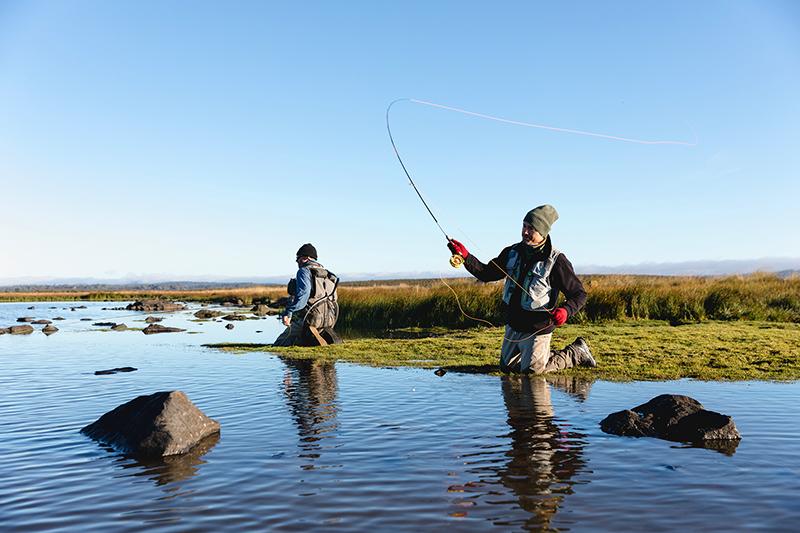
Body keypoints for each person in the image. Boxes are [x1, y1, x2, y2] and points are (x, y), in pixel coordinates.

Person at [447, 204, 596, 373]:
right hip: (514, 325)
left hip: (538, 329)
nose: (525, 232)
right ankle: (540, 357)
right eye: (524, 226)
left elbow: (579, 294)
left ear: (543, 233)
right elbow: (486, 273)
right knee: (507, 369)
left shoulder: (557, 260)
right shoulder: (511, 252)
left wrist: (565, 311)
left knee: (533, 371)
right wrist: (465, 256)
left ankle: (575, 353)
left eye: (531, 228)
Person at [273, 243, 341, 346]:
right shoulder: (329, 275)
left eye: (298, 259)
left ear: (305, 258)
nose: (297, 262)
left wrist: (288, 312)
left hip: (311, 319)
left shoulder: (304, 271)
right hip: (330, 320)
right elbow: (334, 299)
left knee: (279, 344)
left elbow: (303, 295)